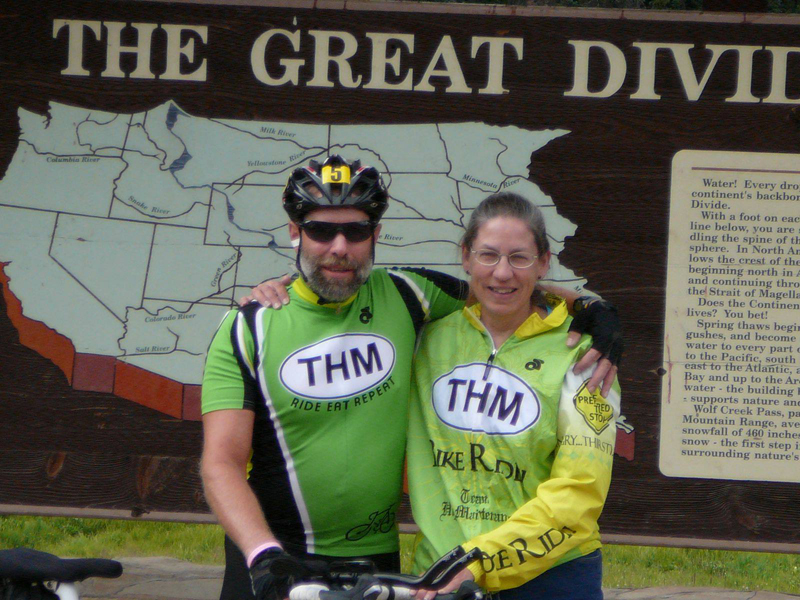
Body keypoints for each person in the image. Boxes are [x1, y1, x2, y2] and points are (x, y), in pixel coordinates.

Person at [201, 156, 622, 600]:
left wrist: (592, 308)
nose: (339, 246)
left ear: (376, 234)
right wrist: (263, 555)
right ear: (294, 231)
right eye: (321, 231)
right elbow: (220, 463)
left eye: (357, 231)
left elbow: (502, 288)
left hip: (378, 561)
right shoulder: (248, 326)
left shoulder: (408, 296)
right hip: (272, 558)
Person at [405, 192, 621, 600]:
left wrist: (483, 560)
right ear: (465, 257)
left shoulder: (584, 356)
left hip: (551, 576)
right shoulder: (424, 340)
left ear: (543, 262)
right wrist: (280, 288)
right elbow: (342, 290)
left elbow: (580, 491)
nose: (502, 273)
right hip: (440, 575)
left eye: (519, 258)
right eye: (488, 255)